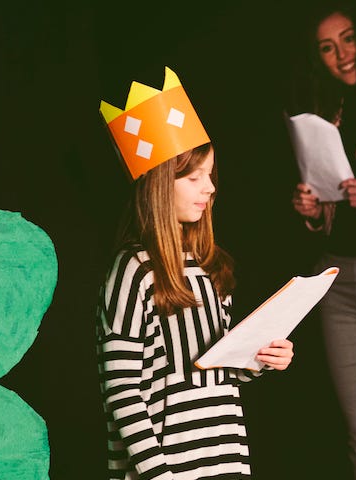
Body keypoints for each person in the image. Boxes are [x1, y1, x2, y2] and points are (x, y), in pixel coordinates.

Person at [98, 69, 295, 479]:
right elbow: (122, 391)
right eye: (194, 177)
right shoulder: (133, 270)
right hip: (168, 470)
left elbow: (218, 371)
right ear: (158, 185)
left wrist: (261, 360)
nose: (210, 188)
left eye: (210, 176)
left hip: (224, 457)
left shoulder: (210, 266)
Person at [288, 4, 356, 479]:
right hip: (337, 282)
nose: (342, 54)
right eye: (328, 47)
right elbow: (328, 205)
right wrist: (311, 210)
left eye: (348, 39)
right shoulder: (329, 111)